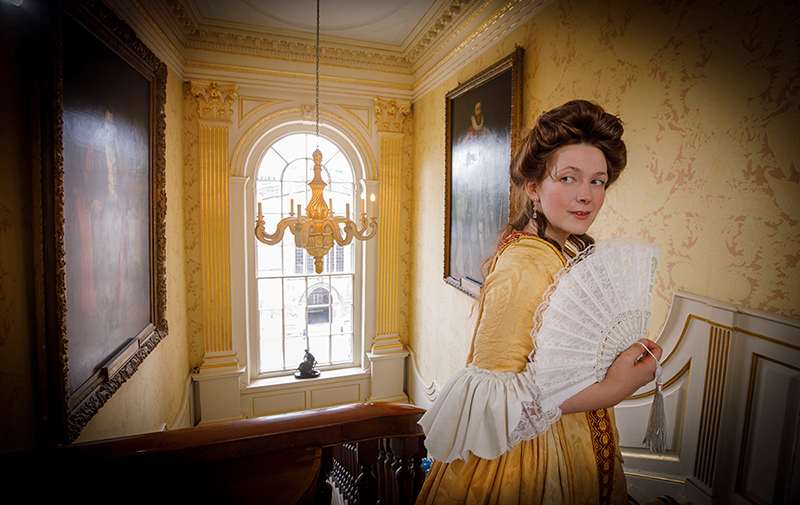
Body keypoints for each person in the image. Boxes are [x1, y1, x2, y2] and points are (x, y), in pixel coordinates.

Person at [417, 100, 663, 505]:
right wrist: (615, 388)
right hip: (530, 462)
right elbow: (500, 399)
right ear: (533, 188)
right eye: (568, 178)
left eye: (598, 182)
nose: (586, 196)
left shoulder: (556, 252)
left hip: (572, 441)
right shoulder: (525, 266)